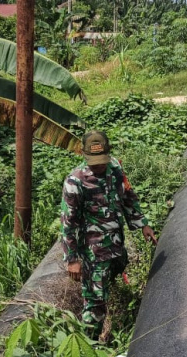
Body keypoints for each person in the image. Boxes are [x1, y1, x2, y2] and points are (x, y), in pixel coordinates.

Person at [60, 130, 157, 341]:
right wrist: (72, 259)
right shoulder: (75, 182)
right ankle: (89, 349)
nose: (99, 166)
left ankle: (112, 319)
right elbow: (68, 224)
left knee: (113, 278)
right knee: (95, 305)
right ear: (84, 156)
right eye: (94, 162)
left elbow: (128, 196)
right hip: (93, 254)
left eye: (102, 160)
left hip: (115, 245)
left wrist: (143, 224)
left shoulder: (115, 168)